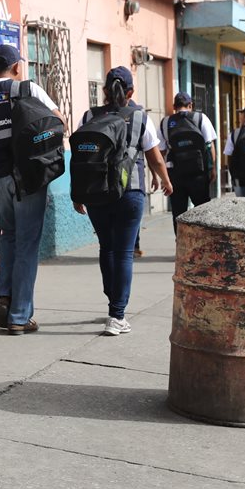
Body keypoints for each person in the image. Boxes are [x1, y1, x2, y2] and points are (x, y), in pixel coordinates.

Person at [0, 44, 63, 335]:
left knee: (9, 236)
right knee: (28, 244)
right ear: (17, 66)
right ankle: (20, 316)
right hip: (28, 178)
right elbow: (58, 121)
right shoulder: (27, 89)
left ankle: (4, 297)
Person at [74, 67, 172, 336]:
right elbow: (155, 156)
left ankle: (113, 302)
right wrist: (163, 179)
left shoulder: (89, 116)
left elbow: (81, 157)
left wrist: (77, 193)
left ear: (104, 91)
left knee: (107, 248)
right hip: (130, 192)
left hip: (95, 192)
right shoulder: (140, 116)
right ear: (130, 92)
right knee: (124, 252)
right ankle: (117, 315)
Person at [159, 91, 218, 231]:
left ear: (174, 107)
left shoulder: (166, 122)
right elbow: (210, 146)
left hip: (175, 174)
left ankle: (180, 243)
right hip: (199, 173)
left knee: (178, 213)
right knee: (202, 211)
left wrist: (163, 177)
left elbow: (161, 152)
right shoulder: (200, 118)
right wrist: (213, 169)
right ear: (190, 105)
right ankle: (204, 243)